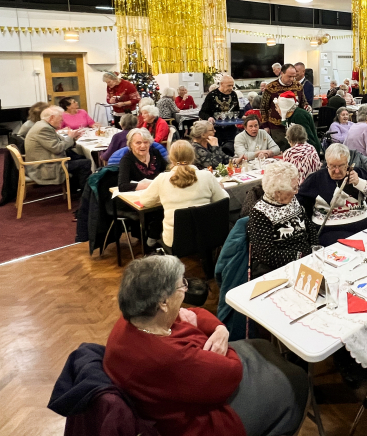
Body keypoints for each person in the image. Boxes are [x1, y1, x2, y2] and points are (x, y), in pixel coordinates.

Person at [103, 255, 308, 436]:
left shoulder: (139, 317)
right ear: (163, 302)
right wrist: (223, 348)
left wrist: (220, 329)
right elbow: (232, 373)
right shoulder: (168, 357)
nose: (185, 289)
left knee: (263, 347)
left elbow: (194, 314)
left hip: (198, 381)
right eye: (181, 285)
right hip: (199, 422)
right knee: (295, 381)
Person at [138, 141, 229, 249]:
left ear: (171, 158)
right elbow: (224, 200)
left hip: (175, 239)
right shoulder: (206, 176)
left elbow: (144, 201)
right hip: (206, 235)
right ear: (193, 156)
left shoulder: (162, 179)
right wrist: (221, 189)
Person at [297, 143, 367, 246]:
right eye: (332, 166)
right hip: (330, 230)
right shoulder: (316, 178)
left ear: (348, 163)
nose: (337, 170)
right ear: (327, 163)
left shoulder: (359, 173)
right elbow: (301, 204)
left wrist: (359, 183)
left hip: (363, 223)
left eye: (341, 166)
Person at [247, 161, 316, 279]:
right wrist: (301, 256)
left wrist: (315, 248)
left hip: (305, 261)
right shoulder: (260, 213)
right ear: (278, 193)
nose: (297, 191)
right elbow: (267, 255)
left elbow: (309, 227)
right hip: (278, 270)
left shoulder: (291, 200)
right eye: (294, 188)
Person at [25, 106, 91, 193]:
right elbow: (58, 148)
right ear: (52, 118)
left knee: (79, 157)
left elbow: (61, 141)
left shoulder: (42, 125)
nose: (62, 120)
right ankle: (84, 193)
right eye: (60, 118)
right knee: (85, 163)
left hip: (46, 160)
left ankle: (74, 189)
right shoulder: (43, 129)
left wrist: (73, 138)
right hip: (44, 167)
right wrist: (70, 137)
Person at [260, 64, 310, 150]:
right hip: (277, 127)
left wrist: (307, 106)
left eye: (294, 76)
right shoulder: (271, 87)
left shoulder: (298, 86)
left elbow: (303, 102)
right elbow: (263, 107)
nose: (292, 79)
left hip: (295, 125)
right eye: (289, 76)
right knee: (281, 150)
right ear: (282, 73)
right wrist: (265, 126)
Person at [118, 128, 169, 192]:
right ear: (131, 144)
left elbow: (167, 170)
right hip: (136, 197)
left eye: (145, 142)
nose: (143, 146)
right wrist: (152, 185)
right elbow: (122, 186)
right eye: (138, 143)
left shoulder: (155, 153)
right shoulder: (127, 160)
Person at [199, 74, 240, 143]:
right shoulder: (212, 95)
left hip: (231, 129)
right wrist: (209, 118)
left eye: (232, 85)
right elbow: (202, 112)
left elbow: (237, 111)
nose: (231, 88)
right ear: (221, 84)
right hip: (216, 130)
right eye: (229, 85)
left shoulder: (233, 94)